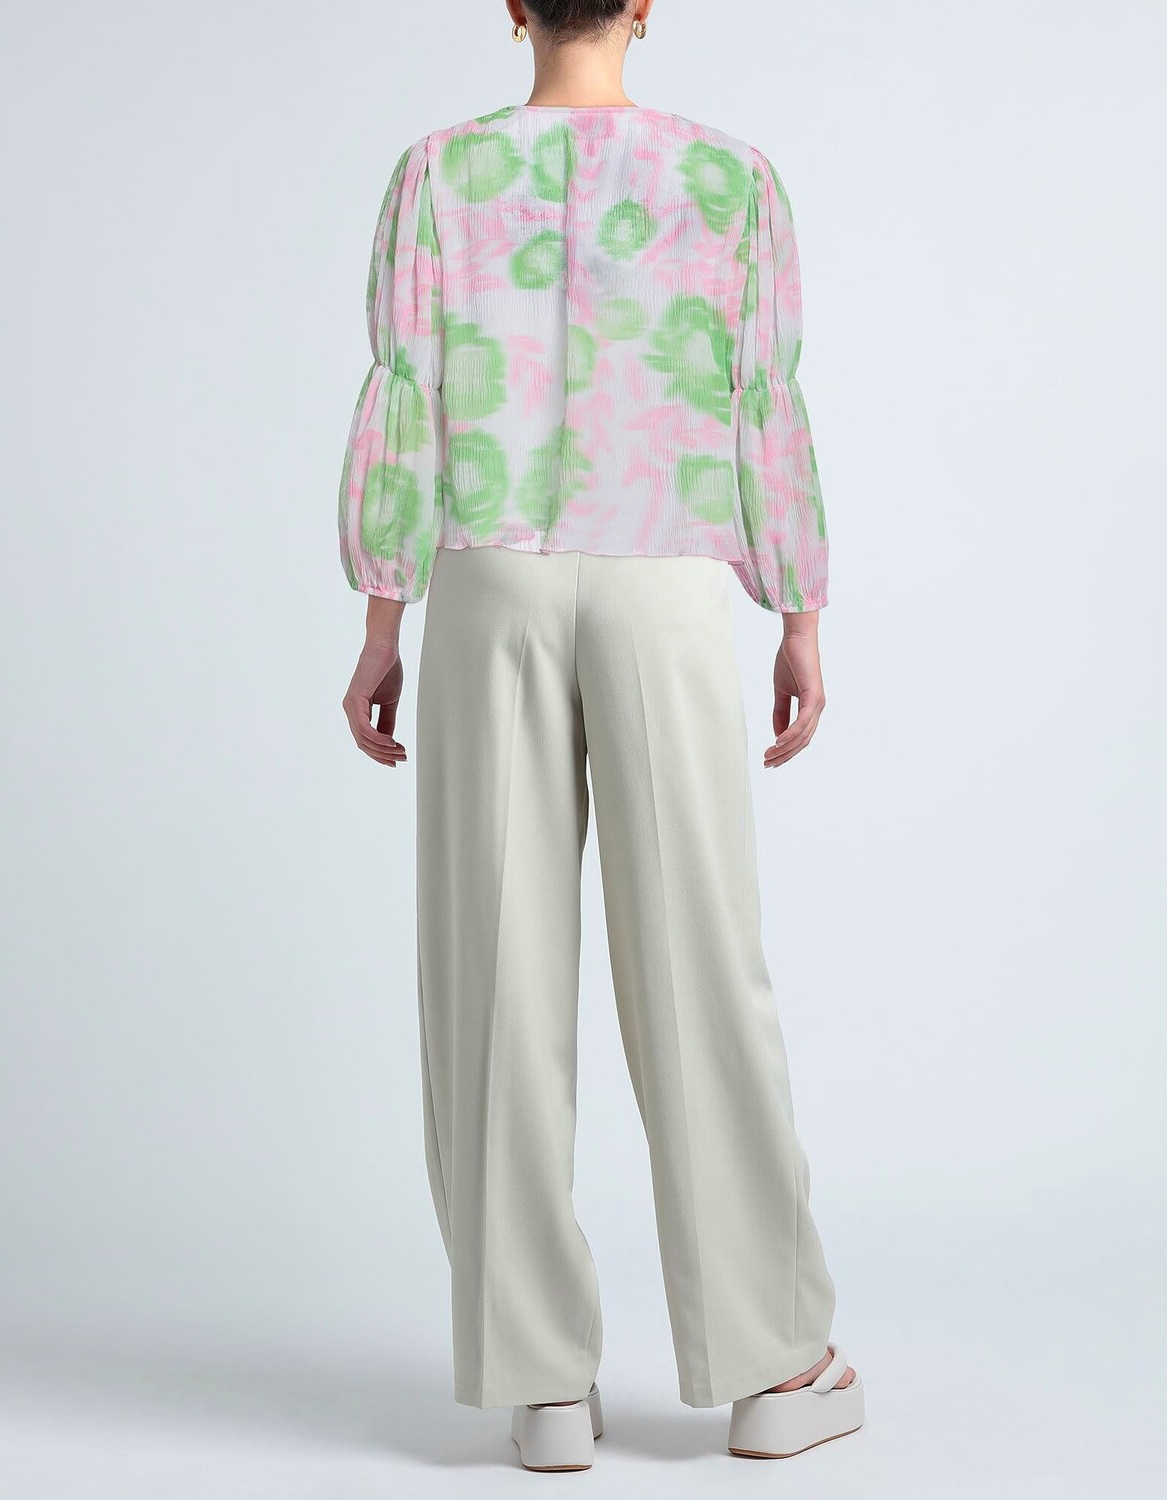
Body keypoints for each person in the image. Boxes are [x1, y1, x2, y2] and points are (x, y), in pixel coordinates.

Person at [338, 0, 863, 1472]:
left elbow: (404, 398)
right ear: (646, 5)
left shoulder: (437, 172)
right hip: (668, 578)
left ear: (513, 7)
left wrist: (382, 618)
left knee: (493, 969)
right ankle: (773, 1365)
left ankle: (541, 1384)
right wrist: (799, 609)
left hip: (488, 580)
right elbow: (762, 399)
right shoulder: (732, 179)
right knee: (700, 963)